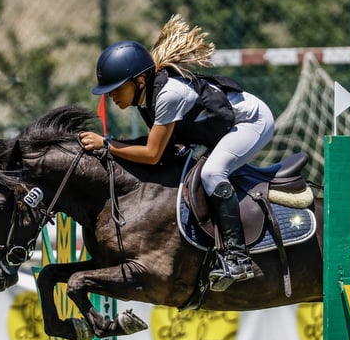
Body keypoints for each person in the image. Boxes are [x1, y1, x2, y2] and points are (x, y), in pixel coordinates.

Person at [79, 15, 275, 292]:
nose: (111, 96)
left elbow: (151, 153)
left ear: (140, 81)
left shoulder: (168, 95)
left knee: (211, 173)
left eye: (116, 88)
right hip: (223, 127)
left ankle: (237, 257)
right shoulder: (147, 98)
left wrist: (107, 144)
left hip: (251, 122)